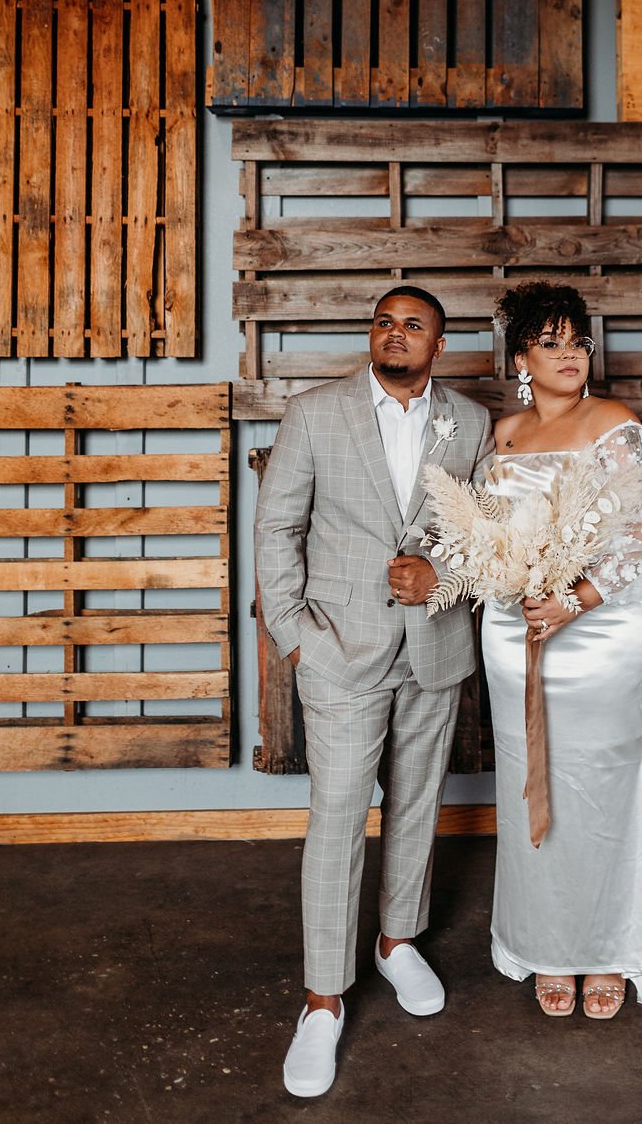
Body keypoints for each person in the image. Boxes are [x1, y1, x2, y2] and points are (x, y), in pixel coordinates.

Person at [255, 286, 493, 1097]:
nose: (396, 333)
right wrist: (297, 639)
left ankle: (397, 942)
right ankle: (323, 998)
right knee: (337, 814)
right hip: (339, 651)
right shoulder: (316, 412)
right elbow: (277, 528)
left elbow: (483, 536)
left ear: (440, 343)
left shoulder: (472, 420)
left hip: (434, 647)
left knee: (419, 803)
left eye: (414, 324)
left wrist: (442, 577)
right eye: (385, 321)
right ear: (373, 335)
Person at [482, 281, 642, 1020]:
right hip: (517, 628)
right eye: (551, 343)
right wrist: (508, 583)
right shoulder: (502, 436)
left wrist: (576, 599)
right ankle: (545, 945)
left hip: (601, 630)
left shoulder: (614, 423)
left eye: (578, 342)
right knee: (530, 782)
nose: (570, 356)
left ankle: (607, 946)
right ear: (521, 358)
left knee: (597, 786)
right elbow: (486, 533)